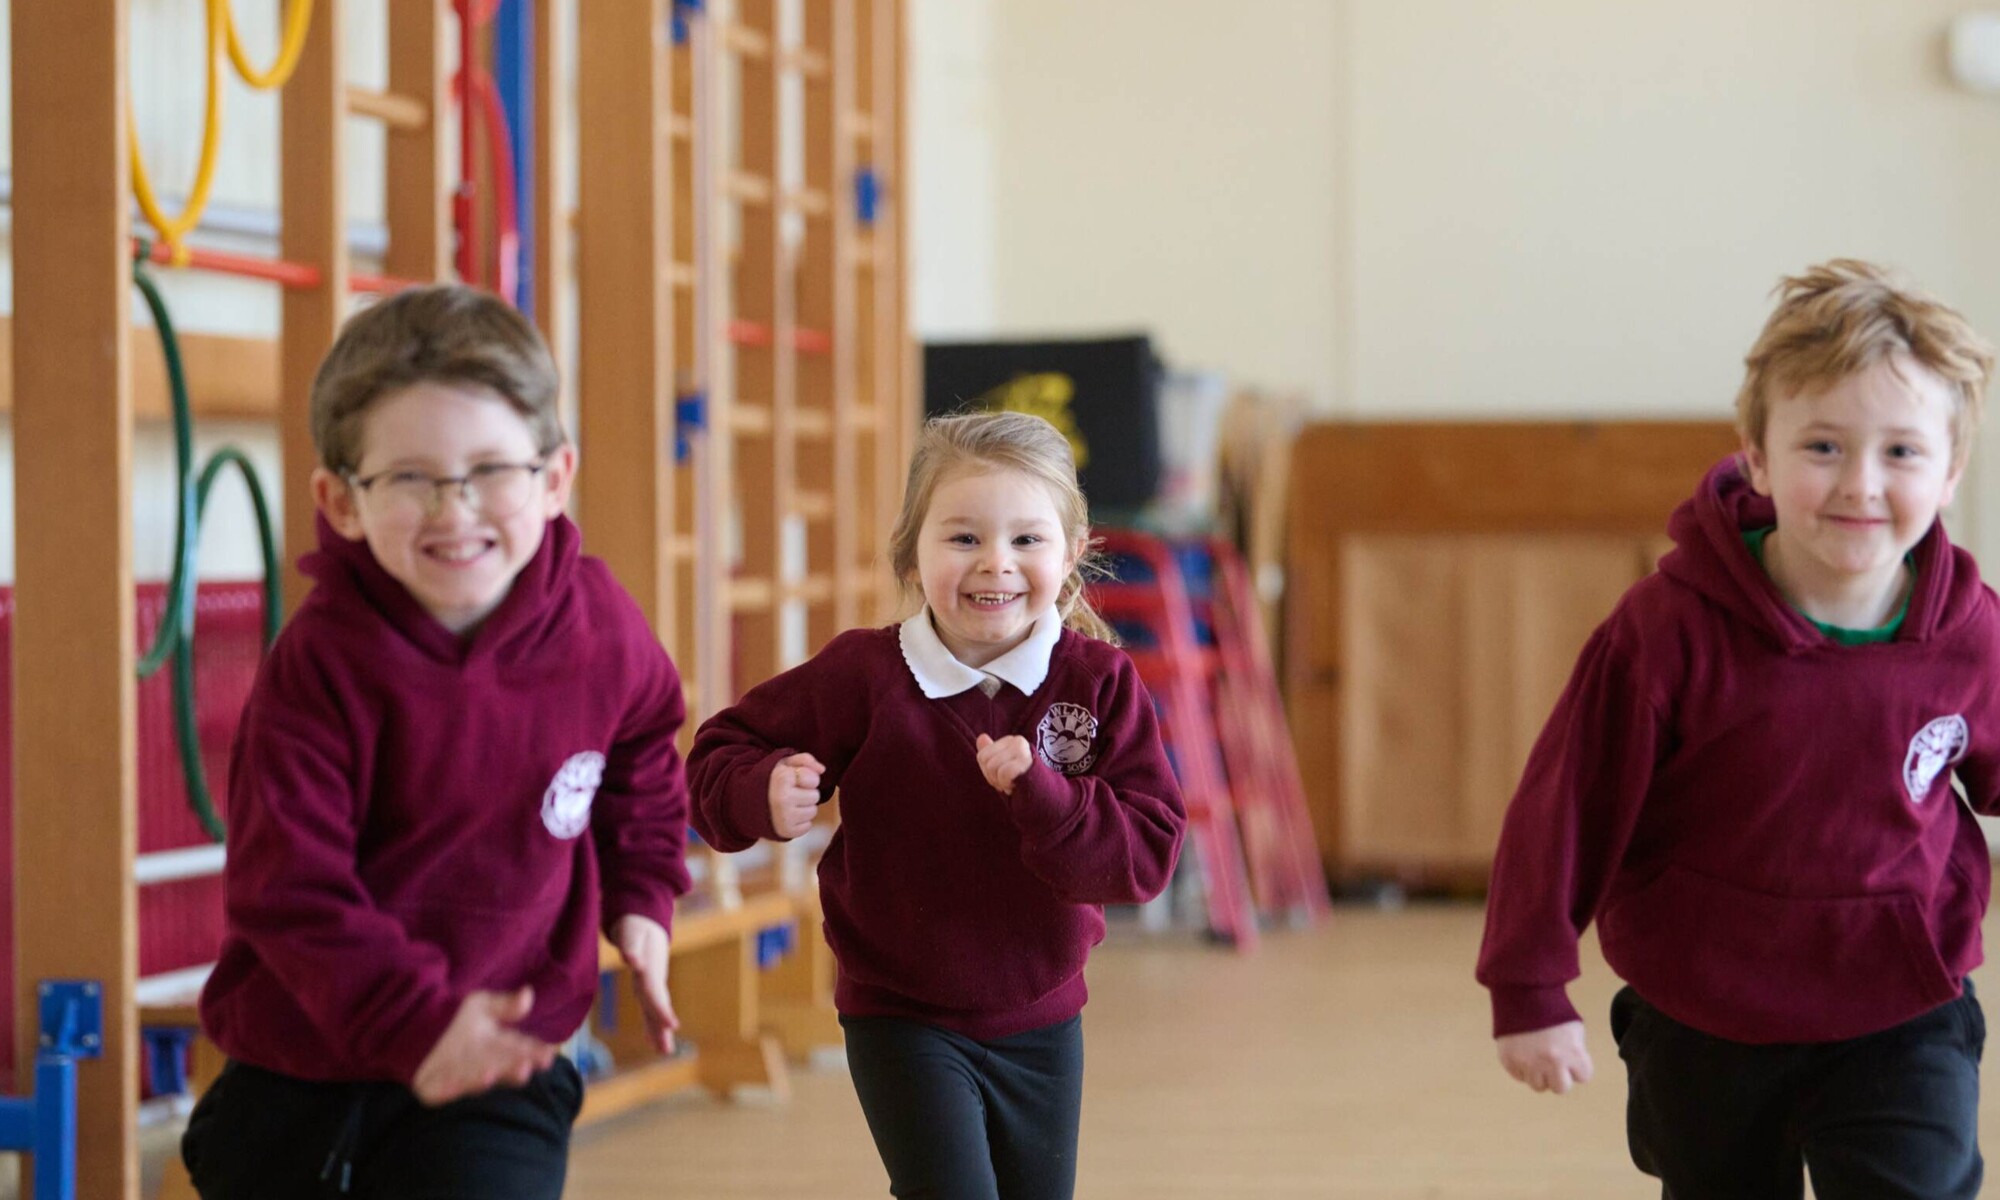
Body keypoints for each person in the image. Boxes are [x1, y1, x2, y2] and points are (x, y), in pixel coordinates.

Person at [1478, 258, 2000, 1198]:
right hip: (1704, 1011)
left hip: (1902, 1004)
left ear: (1952, 469)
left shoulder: (1971, 633)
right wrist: (1529, 988)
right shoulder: (1667, 628)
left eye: (1902, 452)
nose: (1862, 485)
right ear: (1756, 455)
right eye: (1824, 447)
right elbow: (1566, 806)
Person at [182, 284, 692, 1199]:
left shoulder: (601, 627)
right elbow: (287, 887)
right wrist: (417, 1024)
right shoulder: (321, 667)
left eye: (491, 470)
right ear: (340, 501)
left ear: (554, 477)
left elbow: (645, 747)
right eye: (411, 478)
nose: (454, 510)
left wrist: (643, 894)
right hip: (303, 1066)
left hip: (503, 1061)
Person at [688, 410, 1186, 1200]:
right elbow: (719, 753)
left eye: (1027, 540)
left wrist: (1047, 798)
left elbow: (1147, 853)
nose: (997, 564)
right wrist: (760, 790)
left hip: (1044, 1019)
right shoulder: (865, 673)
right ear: (911, 557)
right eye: (963, 538)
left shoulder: (1099, 682)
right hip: (900, 1014)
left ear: (1073, 554)